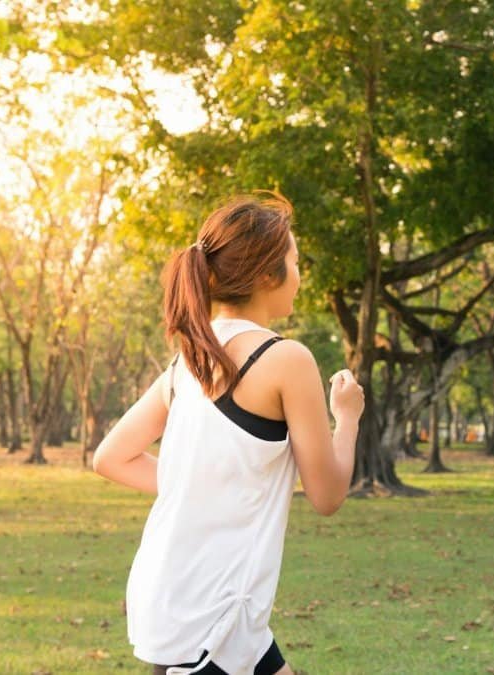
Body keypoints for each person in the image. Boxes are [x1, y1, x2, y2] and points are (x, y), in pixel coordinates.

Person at [91, 193, 364, 675]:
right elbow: (327, 494)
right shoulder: (285, 360)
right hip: (211, 615)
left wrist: (201, 484)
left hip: (181, 597)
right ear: (265, 274)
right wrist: (347, 418)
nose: (300, 275)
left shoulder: (187, 361)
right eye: (295, 262)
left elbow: (111, 457)